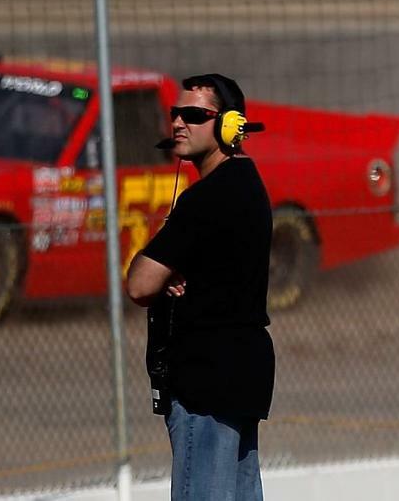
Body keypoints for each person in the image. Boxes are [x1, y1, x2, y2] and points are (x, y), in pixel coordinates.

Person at [126, 74, 275, 501]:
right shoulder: (246, 183)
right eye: (176, 114)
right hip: (240, 374)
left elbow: (139, 284)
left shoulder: (208, 197)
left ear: (229, 126)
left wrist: (166, 267)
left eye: (194, 115)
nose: (178, 123)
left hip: (207, 377)